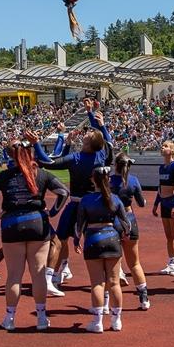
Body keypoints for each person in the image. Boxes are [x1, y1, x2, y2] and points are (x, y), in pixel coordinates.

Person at [0, 140, 69, 331]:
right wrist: (52, 212)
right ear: (31, 154)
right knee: (38, 274)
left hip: (12, 224)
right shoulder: (42, 174)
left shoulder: (4, 175)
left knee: (14, 276)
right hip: (37, 223)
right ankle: (42, 318)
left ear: (12, 156)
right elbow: (63, 191)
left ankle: (10, 318)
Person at [42, 100, 114, 296]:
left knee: (59, 239)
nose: (86, 133)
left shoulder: (77, 158)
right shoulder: (100, 156)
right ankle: (109, 282)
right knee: (100, 239)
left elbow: (48, 163)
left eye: (88, 135)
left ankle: (52, 276)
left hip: (76, 204)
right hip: (95, 204)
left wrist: (44, 143)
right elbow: (108, 143)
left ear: (90, 143)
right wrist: (96, 119)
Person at [74, 166, 130, 331]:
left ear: (93, 180)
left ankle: (97, 322)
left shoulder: (86, 199)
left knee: (97, 283)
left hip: (93, 239)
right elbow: (126, 223)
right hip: (112, 238)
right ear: (108, 179)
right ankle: (116, 320)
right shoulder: (115, 199)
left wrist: (77, 240)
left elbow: (79, 225)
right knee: (114, 283)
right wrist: (123, 234)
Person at [110, 155, 150, 309]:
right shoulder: (133, 180)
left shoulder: (110, 181)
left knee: (112, 265)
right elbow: (141, 203)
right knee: (134, 263)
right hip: (130, 219)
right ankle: (144, 298)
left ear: (115, 165)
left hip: (113, 221)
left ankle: (109, 303)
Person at [153, 140, 174, 277]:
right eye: (163, 145)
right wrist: (156, 204)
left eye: (166, 146)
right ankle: (171, 263)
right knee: (168, 237)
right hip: (164, 205)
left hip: (173, 204)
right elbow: (160, 188)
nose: (162, 147)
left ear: (172, 151)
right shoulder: (162, 168)